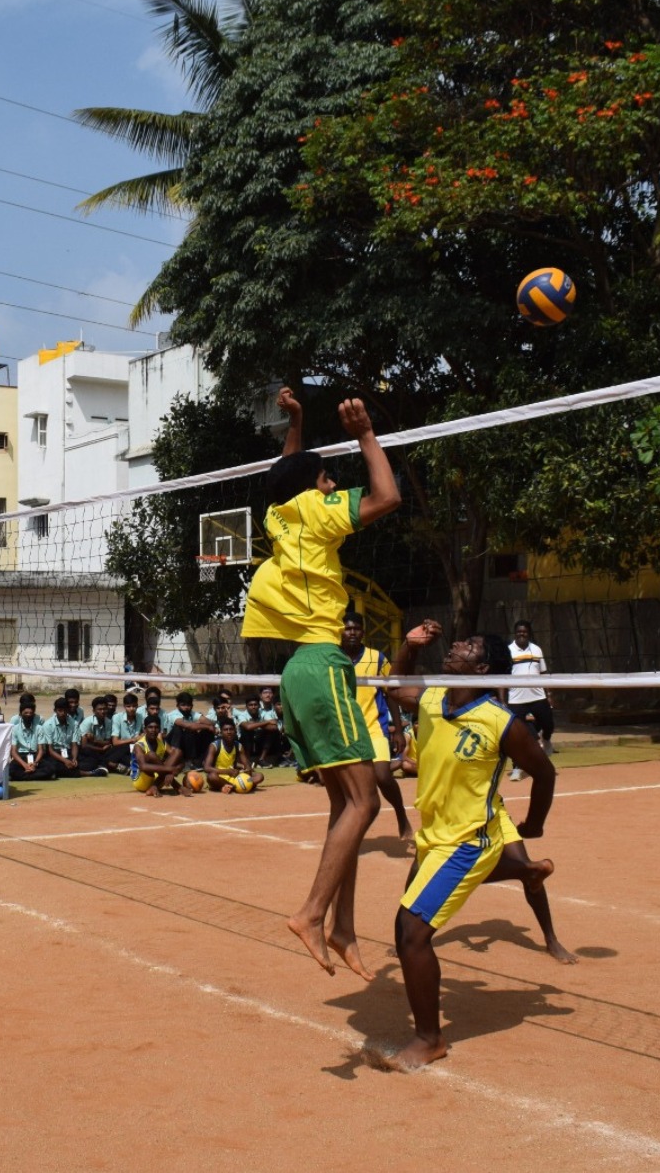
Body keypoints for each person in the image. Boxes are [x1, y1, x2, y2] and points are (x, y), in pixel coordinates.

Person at [240, 387, 401, 978]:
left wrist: (299, 422)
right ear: (319, 485)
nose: (334, 483)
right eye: (329, 478)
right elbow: (388, 495)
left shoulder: (279, 514)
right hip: (324, 665)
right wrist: (365, 434)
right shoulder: (317, 509)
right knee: (365, 803)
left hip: (296, 672)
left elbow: (289, 472)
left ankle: (344, 927)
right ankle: (311, 913)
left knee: (346, 806)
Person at [386, 623, 565, 1068]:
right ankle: (526, 870)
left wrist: (535, 824)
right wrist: (408, 646)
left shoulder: (500, 722)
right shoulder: (432, 701)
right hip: (434, 835)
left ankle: (430, 1039)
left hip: (468, 840)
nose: (456, 646)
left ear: (482, 667)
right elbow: (393, 686)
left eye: (468, 646)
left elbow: (545, 773)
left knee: (411, 933)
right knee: (406, 932)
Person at [340, 611, 411, 839]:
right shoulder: (333, 657)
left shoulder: (376, 658)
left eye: (356, 629)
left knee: (382, 776)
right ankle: (352, 831)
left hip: (374, 727)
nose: (352, 632)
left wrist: (398, 730)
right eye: (348, 628)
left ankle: (401, 814)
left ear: (363, 632)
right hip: (345, 730)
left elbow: (391, 693)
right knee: (352, 787)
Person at [507, 620, 556, 780]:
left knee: (548, 723)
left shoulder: (536, 649)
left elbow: (543, 672)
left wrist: (549, 695)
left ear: (529, 633)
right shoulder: (508, 651)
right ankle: (517, 768)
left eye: (525, 632)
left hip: (538, 696)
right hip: (516, 699)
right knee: (517, 735)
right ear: (515, 634)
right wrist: (502, 699)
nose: (522, 634)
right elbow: (502, 677)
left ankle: (546, 739)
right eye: (519, 632)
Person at [132, 715, 183, 797]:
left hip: (159, 778)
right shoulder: (139, 745)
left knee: (178, 752)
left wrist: (173, 771)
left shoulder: (162, 742)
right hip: (141, 782)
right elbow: (143, 767)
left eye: (156, 727)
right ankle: (177, 786)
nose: (153, 730)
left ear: (160, 729)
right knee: (152, 755)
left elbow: (179, 760)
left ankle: (153, 787)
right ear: (145, 729)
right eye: (150, 727)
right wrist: (171, 770)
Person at [206, 720, 263, 793]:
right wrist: (227, 771)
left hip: (235, 776)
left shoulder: (238, 746)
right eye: (226, 730)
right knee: (211, 777)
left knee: (259, 776)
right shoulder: (214, 746)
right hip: (220, 776)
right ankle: (239, 786)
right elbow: (207, 768)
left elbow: (247, 766)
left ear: (235, 731)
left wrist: (247, 771)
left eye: (231, 729)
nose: (229, 732)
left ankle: (234, 786)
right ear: (221, 732)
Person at [163, 692, 215, 770]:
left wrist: (202, 725)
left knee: (207, 732)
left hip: (187, 742)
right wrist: (201, 725)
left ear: (192, 706)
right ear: (178, 706)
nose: (186, 707)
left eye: (188, 705)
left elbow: (210, 722)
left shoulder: (192, 713)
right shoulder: (174, 714)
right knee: (184, 729)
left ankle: (200, 761)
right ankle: (187, 761)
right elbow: (188, 726)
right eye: (183, 705)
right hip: (173, 744)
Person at [8, 695, 50, 781]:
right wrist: (24, 765)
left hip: (35, 756)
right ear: (21, 714)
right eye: (26, 713)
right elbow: (13, 751)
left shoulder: (39, 728)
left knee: (50, 768)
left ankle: (25, 775)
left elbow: (41, 750)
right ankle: (33, 774)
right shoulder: (15, 729)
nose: (28, 715)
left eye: (31, 713)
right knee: (10, 769)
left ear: (33, 714)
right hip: (21, 756)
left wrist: (35, 763)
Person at [39, 697, 81, 777]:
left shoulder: (74, 724)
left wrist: (74, 758)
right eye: (60, 711)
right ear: (55, 711)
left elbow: (74, 744)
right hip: (55, 754)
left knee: (86, 762)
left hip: (68, 752)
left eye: (65, 710)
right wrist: (65, 761)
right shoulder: (48, 725)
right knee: (51, 766)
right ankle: (84, 773)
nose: (62, 713)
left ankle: (69, 771)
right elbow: (50, 750)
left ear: (68, 710)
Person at [77, 696, 118, 774]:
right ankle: (108, 764)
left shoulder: (108, 722)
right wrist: (101, 749)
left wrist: (95, 740)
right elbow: (84, 745)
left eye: (104, 709)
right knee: (87, 753)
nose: (103, 711)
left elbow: (108, 742)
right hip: (91, 750)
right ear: (94, 711)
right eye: (99, 709)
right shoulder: (87, 722)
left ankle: (104, 764)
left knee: (118, 748)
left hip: (102, 749)